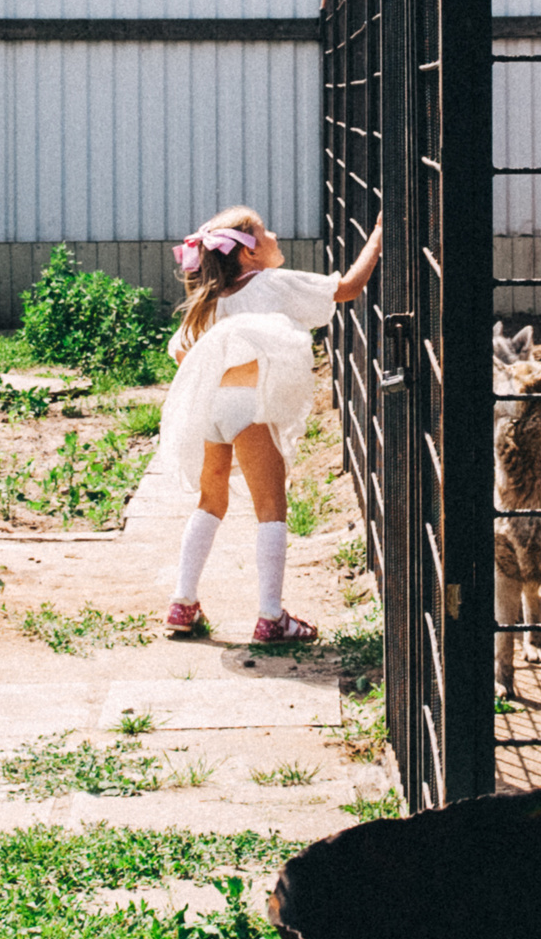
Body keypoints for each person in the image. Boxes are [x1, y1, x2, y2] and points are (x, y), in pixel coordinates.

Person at [159, 205, 382, 643]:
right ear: (248, 254)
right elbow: (350, 287)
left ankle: (182, 603)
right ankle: (270, 616)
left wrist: (224, 370)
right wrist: (378, 234)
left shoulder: (209, 297)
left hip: (212, 409)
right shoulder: (272, 283)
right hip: (251, 410)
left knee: (211, 500)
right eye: (264, 232)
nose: (275, 234)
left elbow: (184, 354)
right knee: (271, 508)